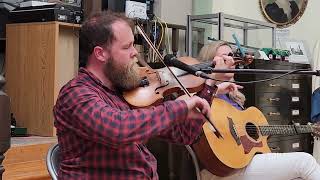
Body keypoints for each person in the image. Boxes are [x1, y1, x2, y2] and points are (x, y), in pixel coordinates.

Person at [53, 11, 240, 180]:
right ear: (101, 54)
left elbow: (184, 135)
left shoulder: (127, 93)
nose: (135, 52)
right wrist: (179, 108)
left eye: (133, 45)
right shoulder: (76, 94)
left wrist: (209, 85)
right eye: (127, 47)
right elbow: (118, 129)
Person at [196, 41, 320, 180]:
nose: (231, 60)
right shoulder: (201, 93)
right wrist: (213, 87)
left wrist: (308, 128)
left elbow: (244, 133)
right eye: (224, 58)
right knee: (305, 163)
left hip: (243, 160)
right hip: (224, 168)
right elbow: (195, 120)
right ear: (210, 63)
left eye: (232, 55)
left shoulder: (234, 96)